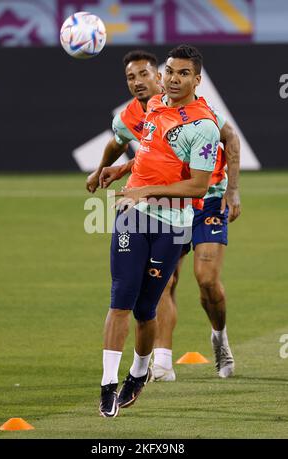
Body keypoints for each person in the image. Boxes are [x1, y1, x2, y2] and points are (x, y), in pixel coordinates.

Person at [87, 49, 241, 383]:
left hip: (207, 198)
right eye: (131, 77)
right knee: (164, 283)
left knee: (207, 280)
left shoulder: (200, 114)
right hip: (167, 206)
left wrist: (233, 190)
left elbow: (228, 141)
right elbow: (135, 149)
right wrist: (112, 169)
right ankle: (162, 362)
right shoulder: (143, 112)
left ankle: (220, 338)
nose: (140, 82)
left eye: (145, 74)